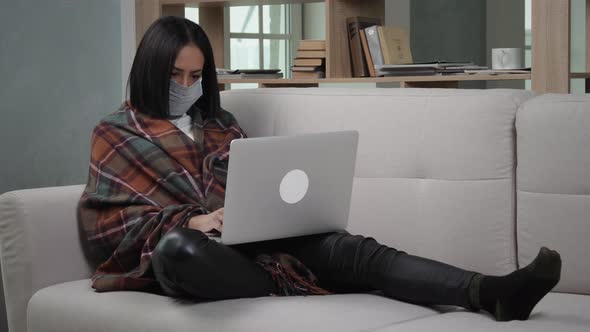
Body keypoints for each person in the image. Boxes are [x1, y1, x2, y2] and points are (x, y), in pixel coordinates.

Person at [77, 16, 561, 322]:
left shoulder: (221, 123)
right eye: (174, 75)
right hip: (195, 256)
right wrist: (191, 220)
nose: (186, 85)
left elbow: (254, 186)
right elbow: (107, 225)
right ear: (149, 70)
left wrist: (272, 214)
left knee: (353, 250)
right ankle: (289, 278)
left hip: (259, 243)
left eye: (195, 75)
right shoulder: (117, 132)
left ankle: (490, 292)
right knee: (179, 250)